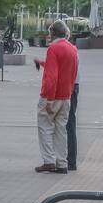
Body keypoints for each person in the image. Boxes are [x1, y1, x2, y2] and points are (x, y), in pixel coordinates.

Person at [35, 20, 78, 174]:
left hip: (53, 96)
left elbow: (52, 77)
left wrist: (49, 99)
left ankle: (49, 160)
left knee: (45, 126)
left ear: (52, 33)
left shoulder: (53, 48)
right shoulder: (72, 49)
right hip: (66, 95)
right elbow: (70, 72)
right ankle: (62, 162)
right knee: (61, 129)